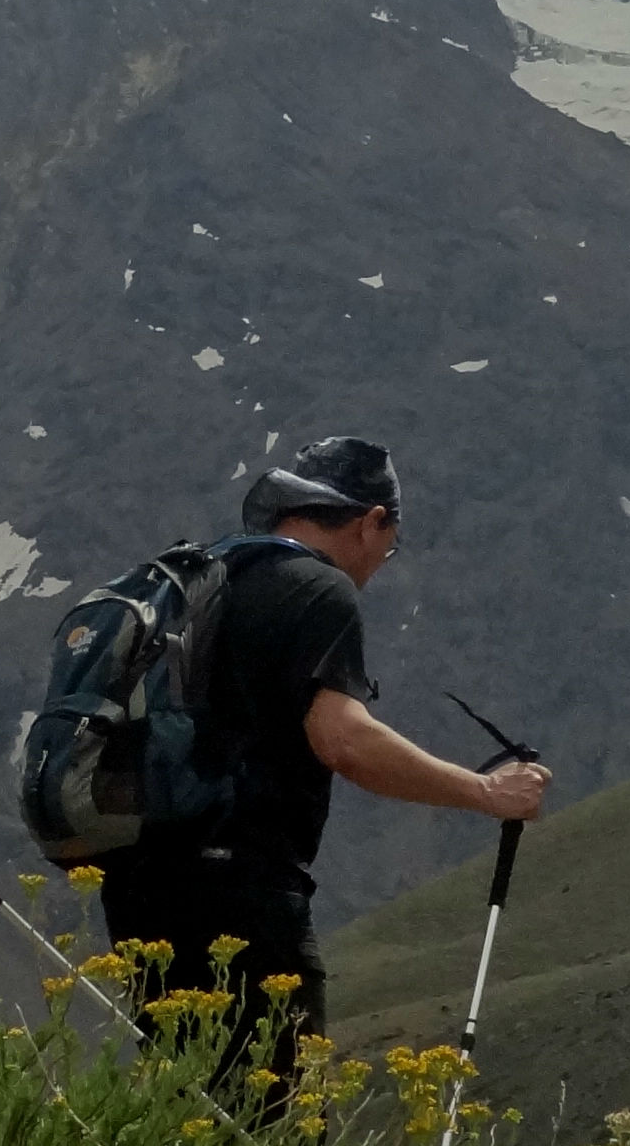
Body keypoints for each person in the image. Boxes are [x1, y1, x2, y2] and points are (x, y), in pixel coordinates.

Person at [94, 436, 546, 1090]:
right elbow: (345, 742)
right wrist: (485, 792)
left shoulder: (206, 581)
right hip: (243, 899)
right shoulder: (315, 590)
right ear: (372, 520)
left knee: (184, 1109)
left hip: (140, 889)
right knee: (276, 1125)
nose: (382, 561)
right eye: (390, 544)